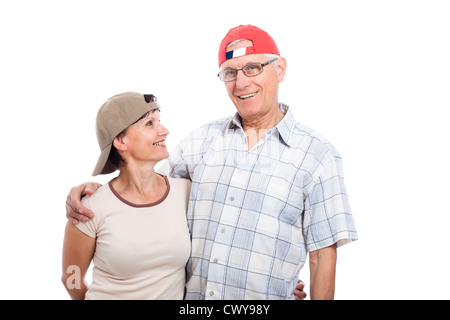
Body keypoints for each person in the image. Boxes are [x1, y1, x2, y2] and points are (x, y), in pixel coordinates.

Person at [66, 25, 358, 300]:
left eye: (253, 68)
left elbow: (322, 256)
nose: (241, 82)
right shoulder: (200, 143)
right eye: (230, 73)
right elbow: (144, 189)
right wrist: (96, 191)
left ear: (279, 69)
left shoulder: (318, 156)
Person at [61, 92, 191, 299]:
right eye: (150, 123)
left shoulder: (185, 193)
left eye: (160, 121)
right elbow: (71, 278)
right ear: (121, 141)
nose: (164, 131)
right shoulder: (89, 209)